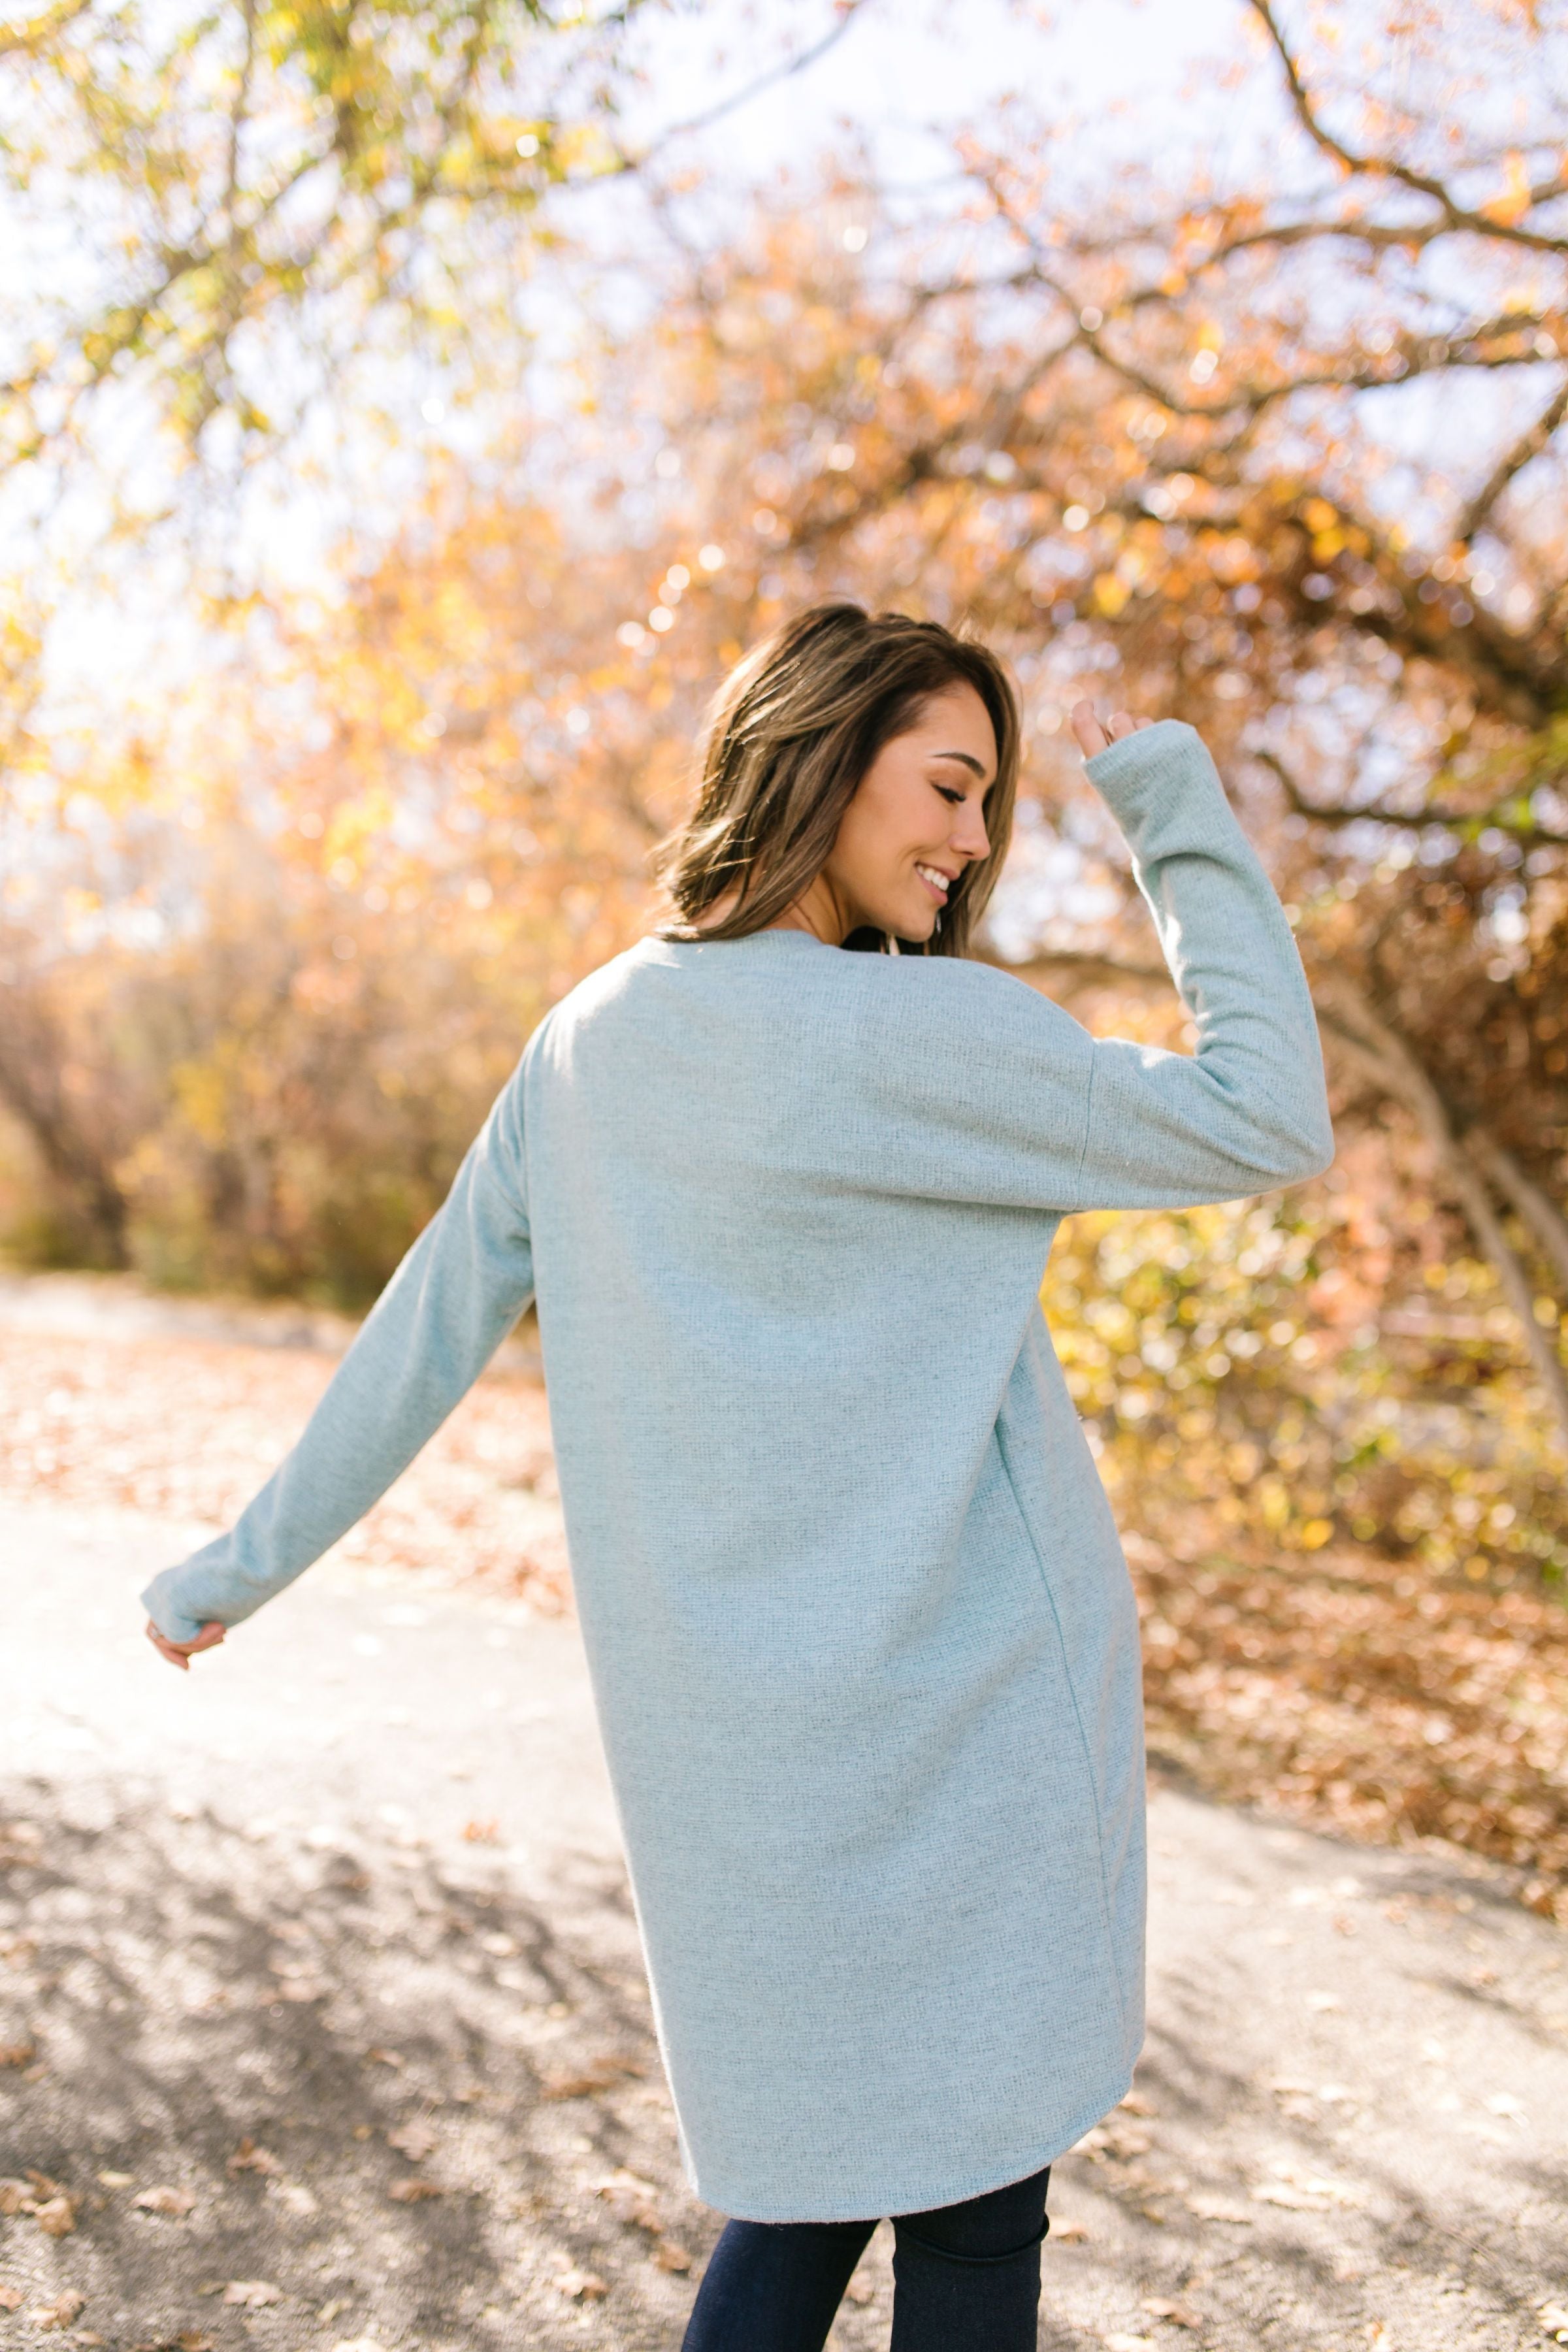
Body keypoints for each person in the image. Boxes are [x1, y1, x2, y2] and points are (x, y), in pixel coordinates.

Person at [142, 601, 1333, 2351]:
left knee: (801, 2195)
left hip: (739, 1763)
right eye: (947, 784)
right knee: (978, 2205)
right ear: (823, 761)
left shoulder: (587, 1043)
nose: (974, 838)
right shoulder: (940, 1044)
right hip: (985, 1721)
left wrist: (228, 1571)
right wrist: (1163, 801)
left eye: (991, 800)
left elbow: (425, 1332)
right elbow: (1270, 1110)